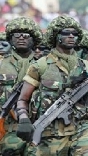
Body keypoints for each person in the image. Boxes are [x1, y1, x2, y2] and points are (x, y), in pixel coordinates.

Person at [15, 15, 88, 155]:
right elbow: (23, 99)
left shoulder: (86, 65)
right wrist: (24, 119)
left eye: (75, 34)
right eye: (66, 33)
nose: (71, 36)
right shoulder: (40, 65)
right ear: (56, 36)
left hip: (82, 128)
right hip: (50, 131)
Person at [0, 16, 43, 155]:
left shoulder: (44, 65)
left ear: (34, 39)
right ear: (11, 39)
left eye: (26, 35)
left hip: (39, 127)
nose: (21, 38)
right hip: (7, 129)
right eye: (16, 35)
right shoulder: (1, 64)